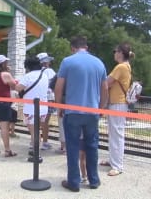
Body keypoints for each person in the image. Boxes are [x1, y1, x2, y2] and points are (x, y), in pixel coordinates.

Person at [54, 36, 108, 192]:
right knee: (92, 146)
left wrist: (59, 106)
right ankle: (94, 180)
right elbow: (105, 88)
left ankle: (74, 182)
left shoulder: (67, 61)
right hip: (92, 112)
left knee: (72, 147)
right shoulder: (99, 63)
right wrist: (101, 108)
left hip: (73, 112)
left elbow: (59, 87)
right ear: (87, 47)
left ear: (73, 48)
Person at [100, 42, 134, 176]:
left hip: (117, 103)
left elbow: (107, 82)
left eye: (115, 51)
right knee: (114, 134)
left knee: (117, 135)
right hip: (117, 103)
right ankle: (113, 160)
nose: (114, 53)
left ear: (120, 53)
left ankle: (118, 166)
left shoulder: (120, 67)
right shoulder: (125, 66)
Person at [15, 56, 48, 162]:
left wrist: (16, 83)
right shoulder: (45, 75)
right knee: (37, 130)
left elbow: (18, 88)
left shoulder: (28, 76)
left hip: (31, 108)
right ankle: (35, 149)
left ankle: (36, 155)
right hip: (43, 107)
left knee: (34, 132)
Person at [36, 52, 57, 151]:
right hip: (49, 98)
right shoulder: (49, 71)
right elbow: (54, 84)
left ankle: (36, 140)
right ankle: (44, 142)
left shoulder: (36, 72)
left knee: (39, 120)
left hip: (39, 98)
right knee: (45, 122)